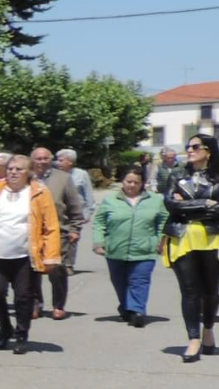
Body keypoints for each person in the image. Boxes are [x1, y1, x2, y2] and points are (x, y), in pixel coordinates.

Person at [0, 154, 61, 354]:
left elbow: (51, 226)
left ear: (28, 172)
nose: (13, 172)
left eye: (18, 169)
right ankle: (5, 329)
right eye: (10, 168)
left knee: (23, 298)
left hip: (25, 257)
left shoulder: (39, 193)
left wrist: (51, 256)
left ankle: (21, 335)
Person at [162, 133, 219, 363]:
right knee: (189, 290)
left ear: (209, 151)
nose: (190, 149)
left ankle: (207, 329)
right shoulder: (177, 174)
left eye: (196, 146)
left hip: (212, 237)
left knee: (211, 290)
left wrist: (186, 205)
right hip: (182, 237)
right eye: (188, 146)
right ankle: (193, 338)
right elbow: (170, 204)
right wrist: (204, 203)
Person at [92, 164, 168, 327]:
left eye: (136, 182)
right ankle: (127, 307)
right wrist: (99, 241)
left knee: (139, 280)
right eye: (128, 181)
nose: (132, 185)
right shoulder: (110, 200)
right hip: (116, 250)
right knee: (120, 283)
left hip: (145, 250)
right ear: (122, 181)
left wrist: (160, 240)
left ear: (142, 183)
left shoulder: (155, 200)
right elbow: (99, 222)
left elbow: (164, 221)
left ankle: (137, 311)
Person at [29, 147, 85, 320]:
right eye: (38, 158)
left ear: (50, 160)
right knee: (31, 271)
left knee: (57, 271)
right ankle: (35, 304)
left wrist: (75, 228)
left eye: (45, 158)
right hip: (30, 232)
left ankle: (58, 305)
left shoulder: (63, 178)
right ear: (32, 160)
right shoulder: (26, 177)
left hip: (58, 231)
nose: (42, 161)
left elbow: (74, 205)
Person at [57, 149, 95, 270]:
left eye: (61, 160)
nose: (58, 162)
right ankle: (57, 262)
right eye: (58, 160)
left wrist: (89, 211)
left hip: (76, 210)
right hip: (59, 210)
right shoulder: (54, 174)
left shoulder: (81, 174)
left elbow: (88, 193)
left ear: (70, 162)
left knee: (72, 236)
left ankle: (69, 264)